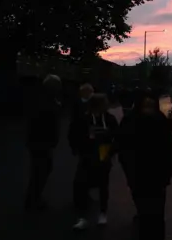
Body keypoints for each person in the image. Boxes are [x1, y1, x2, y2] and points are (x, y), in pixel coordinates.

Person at [118, 94, 172, 240]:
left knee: (152, 213)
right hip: (145, 175)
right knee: (151, 212)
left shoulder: (132, 120)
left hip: (149, 176)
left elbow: (169, 150)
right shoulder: (156, 120)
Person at [69, 93, 119, 230]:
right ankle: (84, 216)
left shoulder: (109, 119)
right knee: (84, 185)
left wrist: (111, 150)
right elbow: (73, 134)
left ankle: (101, 213)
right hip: (89, 153)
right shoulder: (84, 119)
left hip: (102, 153)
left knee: (102, 185)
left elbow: (118, 136)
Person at [24, 74, 62, 211]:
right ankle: (33, 199)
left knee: (40, 169)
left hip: (37, 140)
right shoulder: (47, 101)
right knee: (41, 170)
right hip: (41, 141)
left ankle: (34, 198)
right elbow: (46, 120)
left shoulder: (42, 98)